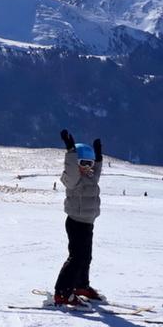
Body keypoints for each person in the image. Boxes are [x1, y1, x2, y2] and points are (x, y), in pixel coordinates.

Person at [52, 129, 104, 307]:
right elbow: (71, 168)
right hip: (76, 222)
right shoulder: (73, 179)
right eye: (83, 163)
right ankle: (62, 293)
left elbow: (96, 171)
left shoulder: (90, 177)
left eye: (90, 163)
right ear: (77, 163)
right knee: (76, 257)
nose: (88, 167)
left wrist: (99, 158)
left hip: (88, 223)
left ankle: (81, 286)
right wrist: (70, 151)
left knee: (86, 257)